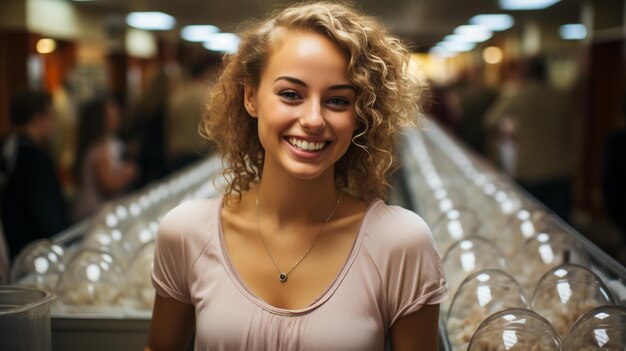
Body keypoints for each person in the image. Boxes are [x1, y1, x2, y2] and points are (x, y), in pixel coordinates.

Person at [146, 3, 448, 351]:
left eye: (337, 100)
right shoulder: (187, 233)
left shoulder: (401, 243)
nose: (314, 119)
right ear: (251, 97)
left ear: (360, 116)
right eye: (291, 94)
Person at [485, 55, 576, 221]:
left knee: (534, 220)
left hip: (530, 168)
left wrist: (511, 133)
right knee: (561, 222)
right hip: (560, 167)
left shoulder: (519, 95)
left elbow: (490, 120)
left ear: (526, 73)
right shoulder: (560, 95)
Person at [0, 89, 68, 259]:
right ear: (38, 119)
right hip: (31, 250)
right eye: (50, 117)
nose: (53, 124)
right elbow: (48, 215)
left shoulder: (6, 144)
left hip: (12, 242)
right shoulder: (35, 157)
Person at [73, 97, 138, 220]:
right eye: (113, 114)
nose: (117, 118)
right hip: (94, 214)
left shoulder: (104, 144)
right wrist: (127, 173)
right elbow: (108, 185)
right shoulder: (100, 150)